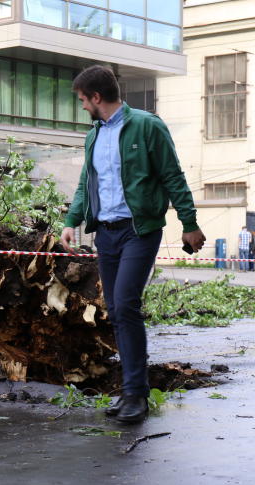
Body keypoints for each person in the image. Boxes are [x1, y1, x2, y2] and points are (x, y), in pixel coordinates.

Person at [60, 65, 206, 424]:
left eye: (82, 100)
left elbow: (172, 173)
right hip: (105, 233)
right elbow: (86, 182)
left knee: (125, 305)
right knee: (115, 308)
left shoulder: (146, 125)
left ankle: (136, 395)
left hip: (139, 231)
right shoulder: (93, 135)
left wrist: (189, 223)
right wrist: (71, 220)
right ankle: (129, 391)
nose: (82, 107)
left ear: (96, 97)